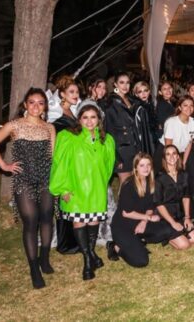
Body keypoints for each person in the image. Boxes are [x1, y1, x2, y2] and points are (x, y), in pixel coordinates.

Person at [0, 88, 56, 289]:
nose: (36, 106)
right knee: (30, 221)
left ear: (45, 106)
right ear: (25, 105)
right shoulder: (14, 126)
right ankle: (34, 268)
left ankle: (44, 258)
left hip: (45, 179)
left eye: (40, 102)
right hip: (23, 180)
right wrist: (4, 166)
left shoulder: (49, 128)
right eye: (31, 102)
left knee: (46, 217)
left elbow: (52, 157)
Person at [49, 103, 115, 280]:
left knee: (94, 222)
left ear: (99, 120)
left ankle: (91, 252)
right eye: (85, 117)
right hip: (75, 190)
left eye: (93, 117)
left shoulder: (106, 140)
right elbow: (59, 164)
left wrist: (101, 183)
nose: (89, 121)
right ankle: (87, 260)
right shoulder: (68, 137)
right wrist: (62, 188)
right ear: (79, 119)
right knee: (79, 223)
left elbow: (108, 168)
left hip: (96, 190)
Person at [108, 154, 185, 266]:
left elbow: (150, 207)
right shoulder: (129, 185)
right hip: (123, 226)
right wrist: (148, 218)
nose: (146, 168)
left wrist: (144, 222)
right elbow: (126, 213)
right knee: (141, 261)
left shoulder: (151, 183)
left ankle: (139, 240)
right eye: (142, 165)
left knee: (167, 229)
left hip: (139, 221)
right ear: (135, 168)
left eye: (148, 165)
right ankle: (115, 247)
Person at [153, 145, 194, 250]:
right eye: (168, 154)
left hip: (179, 215)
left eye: (174, 153)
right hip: (165, 217)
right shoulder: (159, 177)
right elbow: (158, 204)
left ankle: (179, 234)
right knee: (185, 245)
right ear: (164, 158)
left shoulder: (183, 174)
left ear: (178, 156)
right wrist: (172, 223)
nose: (171, 157)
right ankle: (167, 236)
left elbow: (186, 197)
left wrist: (187, 218)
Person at [103, 73, 140, 183]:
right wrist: (116, 156)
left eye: (127, 82)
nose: (125, 86)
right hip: (121, 149)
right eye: (121, 82)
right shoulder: (111, 103)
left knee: (134, 182)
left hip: (133, 147)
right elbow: (109, 131)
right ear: (115, 85)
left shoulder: (130, 100)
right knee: (125, 183)